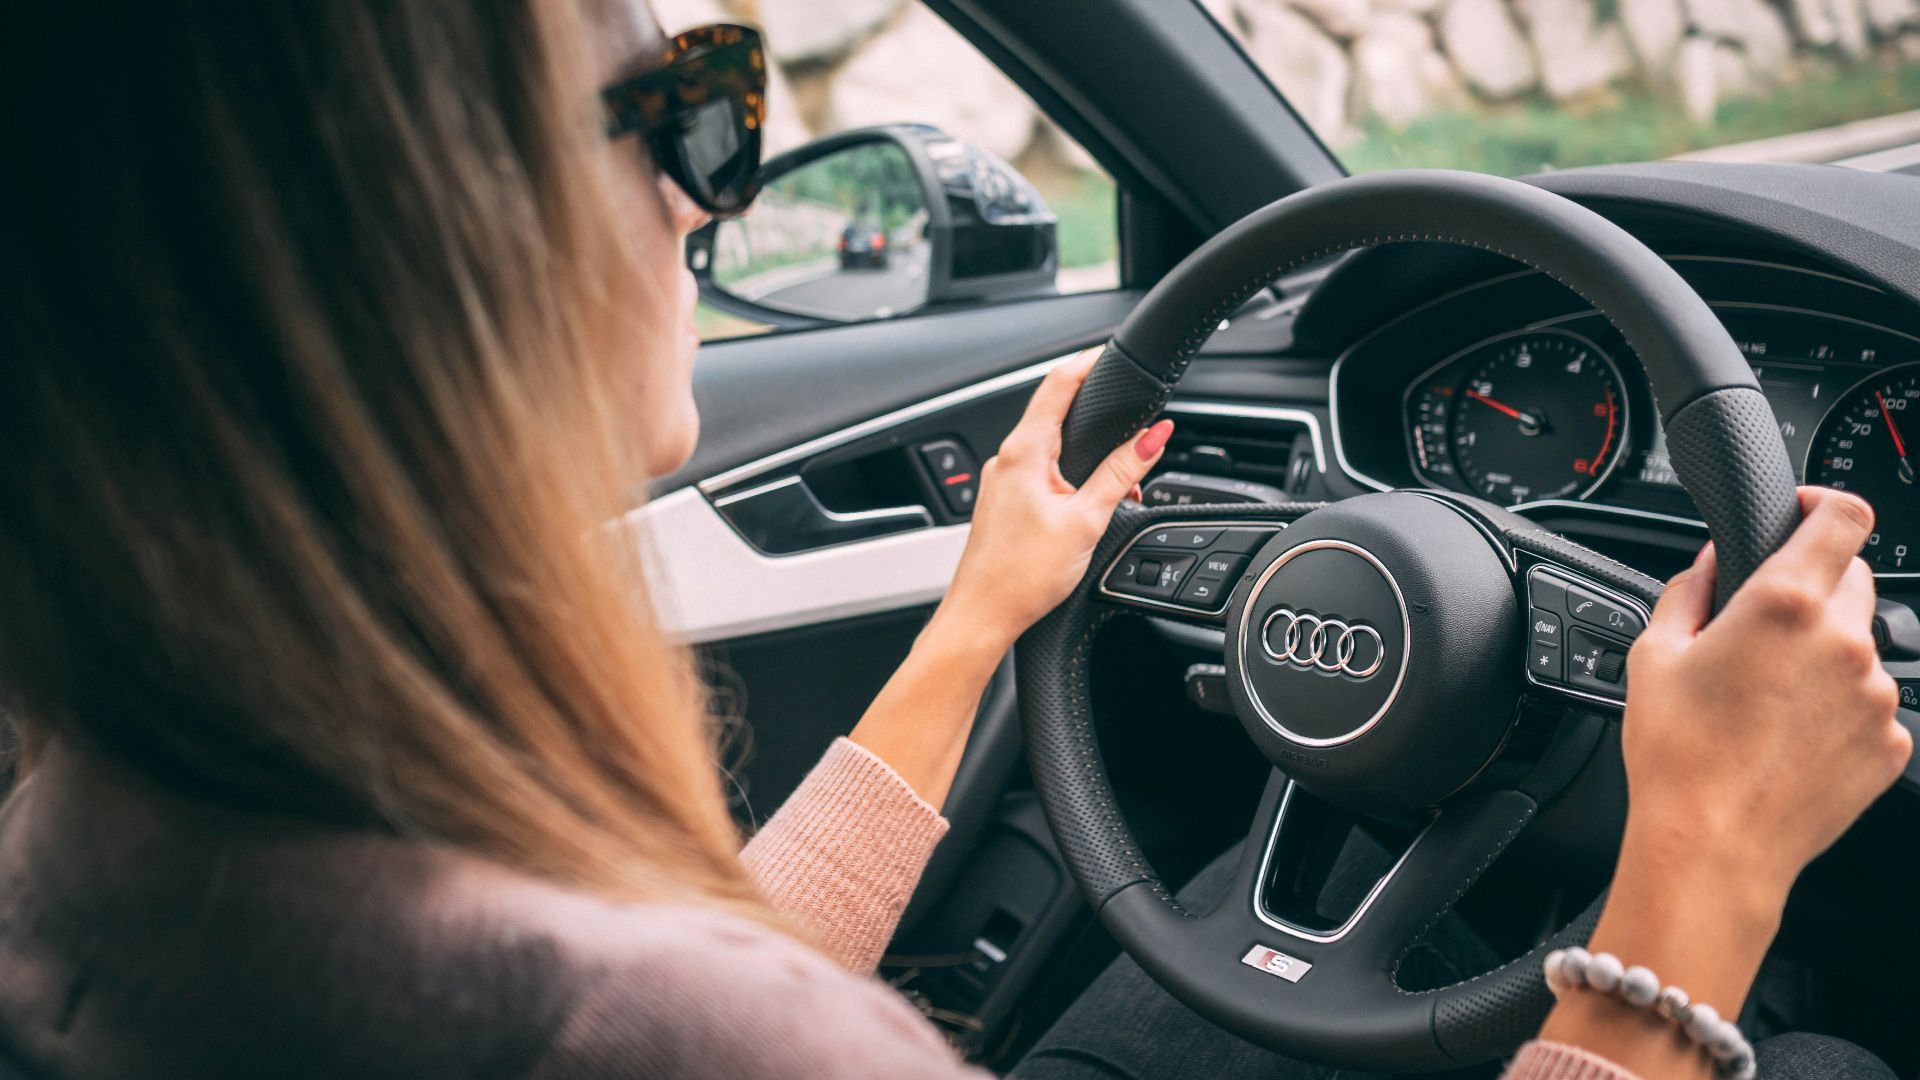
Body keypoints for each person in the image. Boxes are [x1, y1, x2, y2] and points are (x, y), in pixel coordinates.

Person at [0, 3, 1905, 1079]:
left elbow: (692, 972)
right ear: (422, 227)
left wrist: (975, 622)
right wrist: (1694, 884)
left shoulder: (100, 839)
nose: (705, 192)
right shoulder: (680, 1033)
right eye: (683, 110)